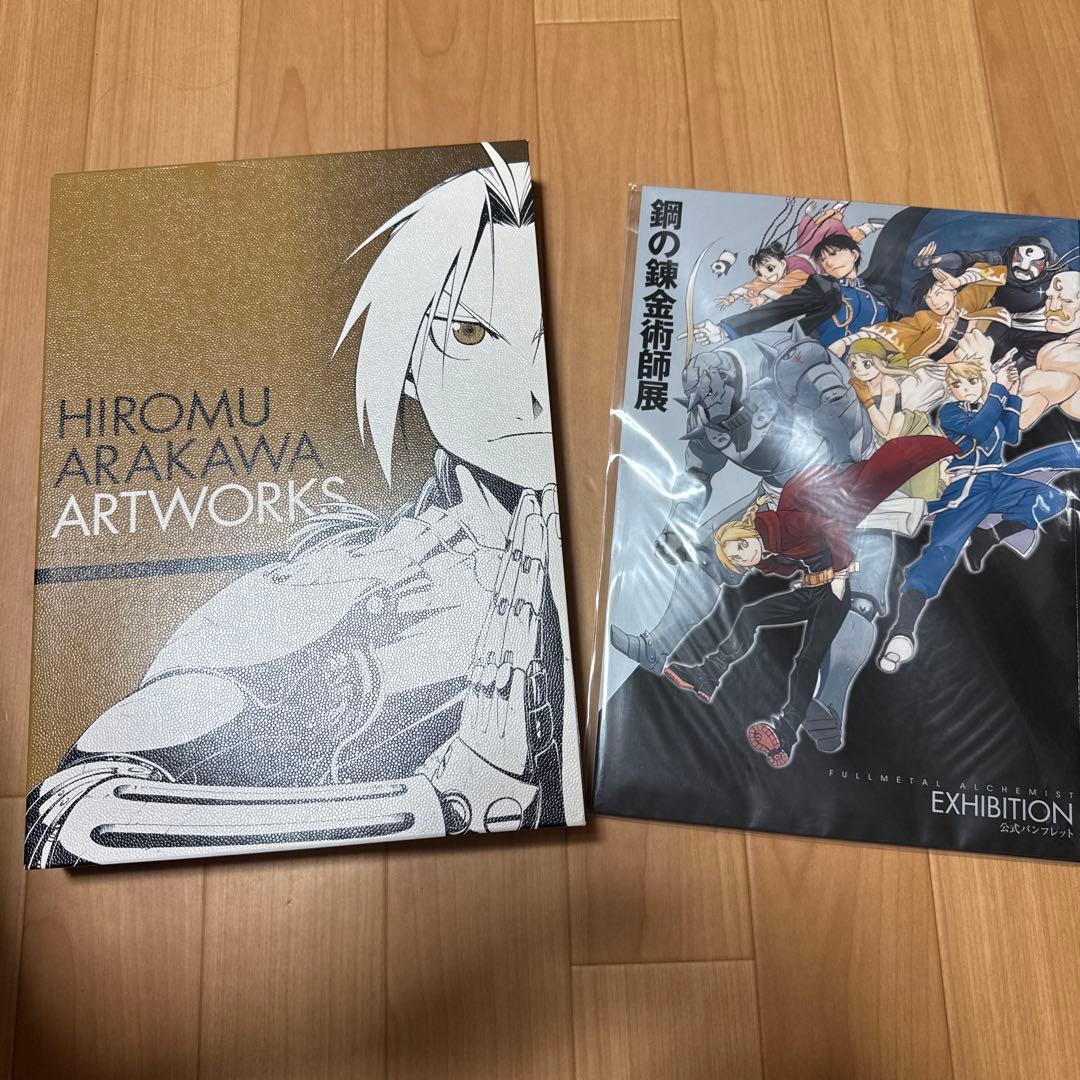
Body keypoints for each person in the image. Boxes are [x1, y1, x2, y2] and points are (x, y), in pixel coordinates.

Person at [25, 145, 582, 867]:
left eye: (546, 337)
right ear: (408, 361)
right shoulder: (366, 586)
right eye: (471, 334)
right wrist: (436, 808)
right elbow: (76, 809)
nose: (531, 389)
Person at [662, 434, 956, 769]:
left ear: (748, 534)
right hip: (812, 591)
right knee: (750, 613)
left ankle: (786, 730)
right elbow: (790, 560)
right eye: (738, 559)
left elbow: (829, 530)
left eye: (742, 547)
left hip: (834, 594)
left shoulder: (786, 523)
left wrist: (841, 574)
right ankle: (708, 674)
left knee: (807, 659)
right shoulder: (770, 542)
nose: (744, 557)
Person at [879, 329, 1076, 675]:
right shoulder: (951, 413)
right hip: (966, 487)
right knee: (942, 552)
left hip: (997, 480)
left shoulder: (991, 403)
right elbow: (981, 431)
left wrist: (1011, 393)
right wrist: (998, 390)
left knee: (1051, 498)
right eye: (958, 384)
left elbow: (1010, 433)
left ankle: (990, 535)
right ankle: (902, 631)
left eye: (971, 382)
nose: (964, 389)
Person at [845, 339, 943, 501]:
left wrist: (868, 402)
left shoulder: (888, 384)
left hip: (915, 443)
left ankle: (944, 482)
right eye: (854, 365)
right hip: (888, 448)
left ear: (881, 363)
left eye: (866, 364)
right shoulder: (862, 385)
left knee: (924, 498)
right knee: (900, 497)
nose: (859, 370)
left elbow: (885, 429)